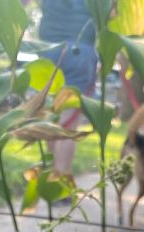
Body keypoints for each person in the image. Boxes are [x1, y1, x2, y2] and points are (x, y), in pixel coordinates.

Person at [36, 0, 98, 175]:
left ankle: (52, 177)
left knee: (51, 118)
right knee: (68, 126)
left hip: (47, 51)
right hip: (79, 52)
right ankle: (61, 183)